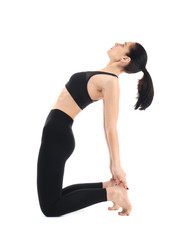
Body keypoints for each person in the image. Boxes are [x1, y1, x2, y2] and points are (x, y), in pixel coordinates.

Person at [37, 41, 154, 217]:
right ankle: (108, 187)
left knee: (50, 208)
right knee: (56, 197)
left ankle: (113, 193)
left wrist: (116, 165)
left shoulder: (111, 82)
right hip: (55, 133)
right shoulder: (103, 74)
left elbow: (110, 127)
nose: (116, 43)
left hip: (58, 135)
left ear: (124, 58)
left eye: (122, 44)